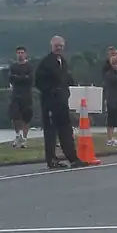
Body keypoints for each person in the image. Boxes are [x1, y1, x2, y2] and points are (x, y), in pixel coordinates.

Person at [34, 35, 82, 169]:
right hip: (50, 103)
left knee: (66, 130)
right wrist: (52, 91)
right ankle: (51, 160)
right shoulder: (45, 63)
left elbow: (66, 78)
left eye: (61, 46)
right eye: (56, 46)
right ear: (52, 46)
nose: (59, 48)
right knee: (51, 132)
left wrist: (67, 90)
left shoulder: (63, 62)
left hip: (62, 102)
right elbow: (38, 82)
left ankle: (72, 158)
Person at [8, 46, 34, 148]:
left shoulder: (29, 66)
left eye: (22, 52)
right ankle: (17, 135)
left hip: (26, 94)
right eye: (18, 53)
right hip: (15, 94)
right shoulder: (13, 66)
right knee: (15, 116)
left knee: (26, 117)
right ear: (16, 54)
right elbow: (11, 78)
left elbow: (30, 79)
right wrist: (22, 78)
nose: (20, 55)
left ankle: (25, 139)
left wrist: (19, 78)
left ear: (25, 54)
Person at [102, 52, 117, 147]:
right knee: (111, 121)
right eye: (115, 64)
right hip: (112, 100)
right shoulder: (110, 74)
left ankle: (112, 137)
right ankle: (109, 139)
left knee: (114, 120)